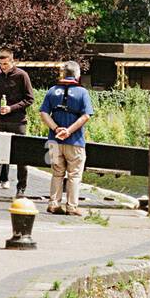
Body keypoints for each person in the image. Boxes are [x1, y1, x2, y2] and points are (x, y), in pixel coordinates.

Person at [39, 61, 95, 216]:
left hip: (54, 140)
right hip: (75, 141)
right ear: (77, 75)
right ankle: (72, 206)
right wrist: (68, 131)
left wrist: (56, 129)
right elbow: (86, 116)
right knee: (74, 174)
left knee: (57, 173)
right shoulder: (82, 92)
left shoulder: (52, 91)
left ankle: (53, 204)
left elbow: (43, 113)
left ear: (63, 74)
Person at [0, 46, 33, 198]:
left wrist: (12, 108)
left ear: (13, 62)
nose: (3, 67)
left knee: (21, 156)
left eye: (6, 64)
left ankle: (21, 188)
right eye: (1, 64)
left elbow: (29, 99)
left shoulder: (22, 76)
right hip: (0, 120)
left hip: (17, 121)